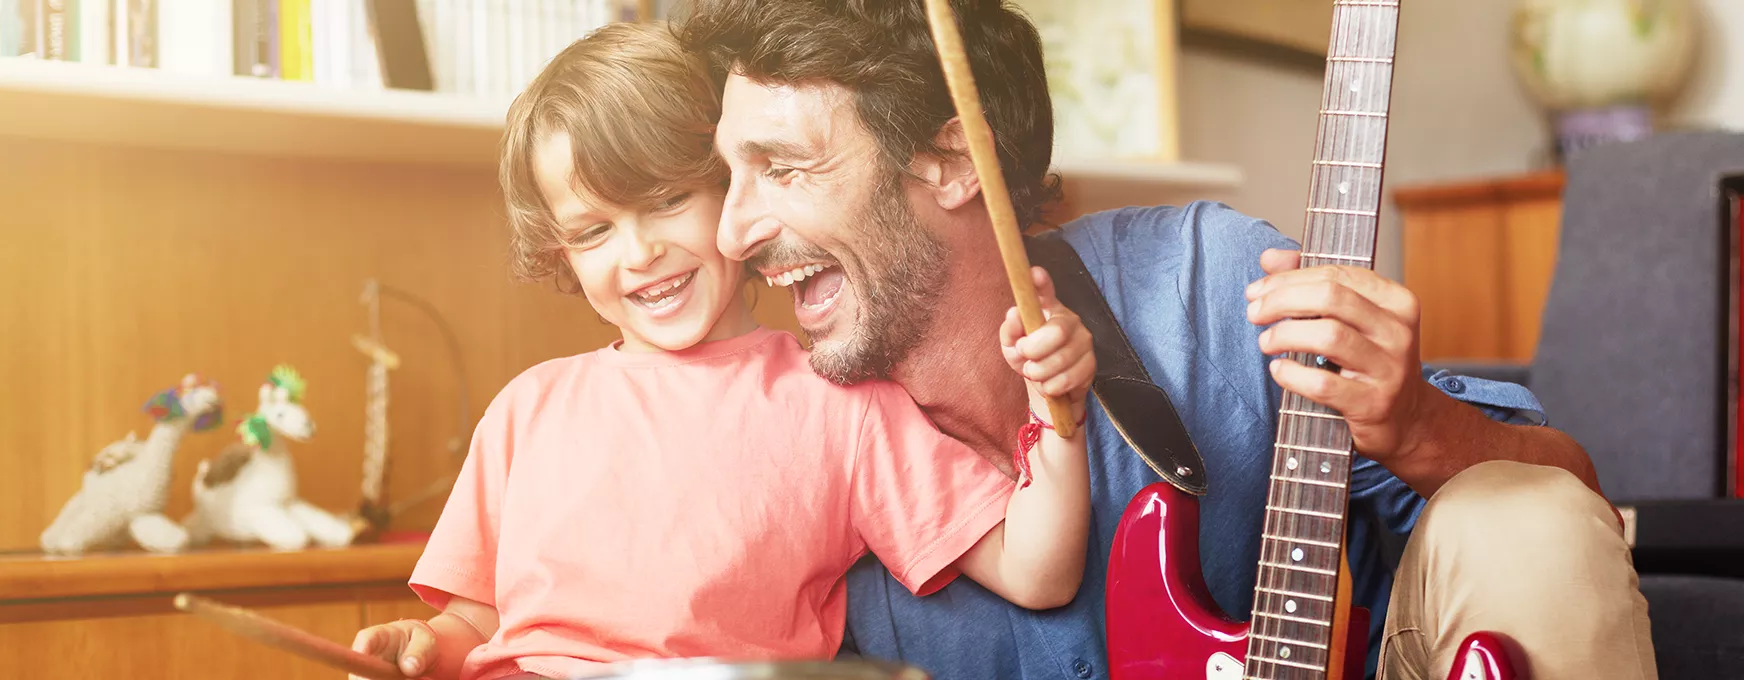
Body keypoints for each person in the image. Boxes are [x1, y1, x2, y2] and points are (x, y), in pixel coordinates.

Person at [678, 1, 1656, 678]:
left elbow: (1571, 497)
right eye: (730, 178)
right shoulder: (771, 444)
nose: (732, 232)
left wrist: (1417, 426)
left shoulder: (1208, 280)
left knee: (1526, 518)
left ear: (951, 163)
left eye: (782, 168)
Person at [347, 22, 1098, 680]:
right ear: (560, 253)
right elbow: (472, 625)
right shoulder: (526, 410)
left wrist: (1053, 413)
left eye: (668, 201)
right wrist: (422, 646)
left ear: (733, 192)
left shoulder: (842, 406)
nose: (639, 252)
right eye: (593, 231)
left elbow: (1037, 572)